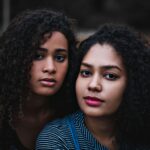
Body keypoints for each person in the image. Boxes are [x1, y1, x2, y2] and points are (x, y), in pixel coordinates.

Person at [36, 24, 150, 150]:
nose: (93, 85)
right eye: (86, 73)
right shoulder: (56, 138)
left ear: (133, 83)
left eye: (110, 76)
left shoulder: (143, 132)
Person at [0, 8, 77, 150]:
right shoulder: (4, 113)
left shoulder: (75, 113)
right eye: (38, 56)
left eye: (60, 58)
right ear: (17, 58)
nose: (50, 68)